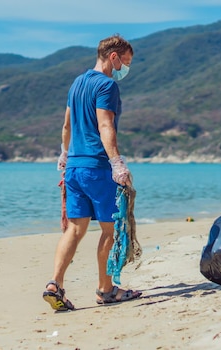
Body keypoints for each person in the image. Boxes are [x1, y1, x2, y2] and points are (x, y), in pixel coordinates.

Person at [43, 34, 142, 311]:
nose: (126, 68)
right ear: (114, 57)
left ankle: (55, 284)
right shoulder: (107, 85)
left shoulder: (77, 83)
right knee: (111, 230)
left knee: (74, 229)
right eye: (126, 62)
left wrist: (64, 155)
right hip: (97, 167)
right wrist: (117, 163)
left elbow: (66, 126)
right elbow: (105, 125)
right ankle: (106, 290)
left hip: (74, 167)